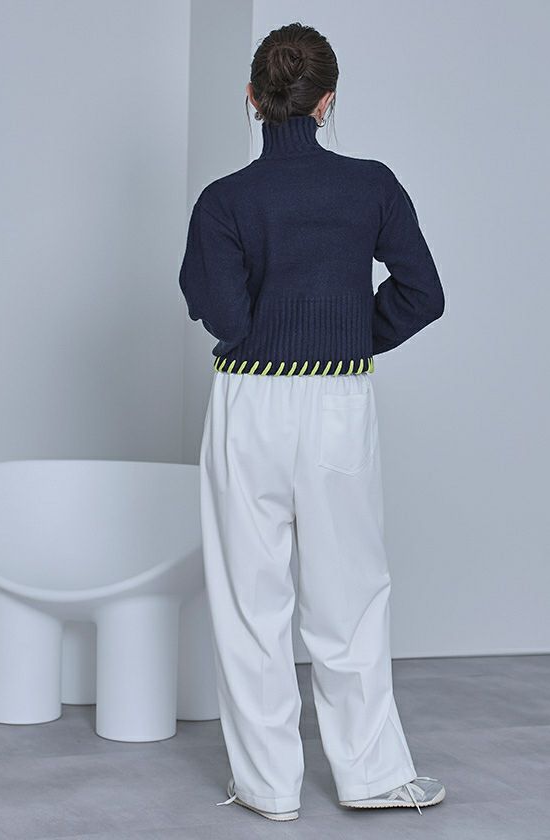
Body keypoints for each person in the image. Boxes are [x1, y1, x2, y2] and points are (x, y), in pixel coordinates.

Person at [178, 22, 446, 823]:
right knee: (350, 597)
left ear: (253, 99)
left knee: (249, 601)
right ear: (327, 102)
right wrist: (348, 333)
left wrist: (266, 320)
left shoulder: (224, 200)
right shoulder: (372, 186)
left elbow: (223, 313)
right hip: (338, 400)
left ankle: (267, 787)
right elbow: (423, 293)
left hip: (249, 400)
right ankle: (371, 775)